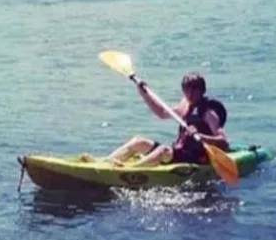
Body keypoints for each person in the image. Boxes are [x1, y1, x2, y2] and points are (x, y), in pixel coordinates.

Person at [84, 72, 229, 168]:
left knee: (163, 150)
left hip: (195, 157)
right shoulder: (185, 106)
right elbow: (161, 112)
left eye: (194, 90)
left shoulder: (208, 113)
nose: (190, 94)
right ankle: (104, 163)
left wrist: (201, 136)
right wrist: (144, 93)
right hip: (180, 152)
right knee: (138, 141)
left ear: (202, 91)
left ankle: (130, 170)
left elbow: (223, 141)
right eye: (187, 89)